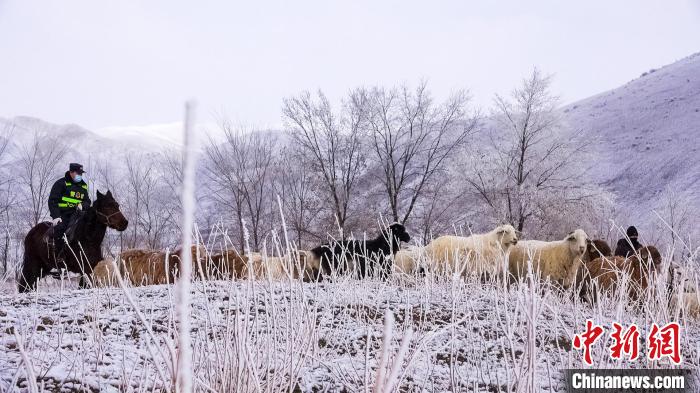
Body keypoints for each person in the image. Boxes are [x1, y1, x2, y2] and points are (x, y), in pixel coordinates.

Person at [48, 163, 91, 257]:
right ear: (71, 172)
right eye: (78, 173)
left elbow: (88, 201)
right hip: (63, 214)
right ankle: (58, 257)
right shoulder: (61, 183)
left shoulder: (83, 186)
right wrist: (56, 217)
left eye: (81, 173)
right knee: (60, 229)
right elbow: (53, 201)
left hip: (79, 214)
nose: (80, 175)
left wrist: (82, 205)